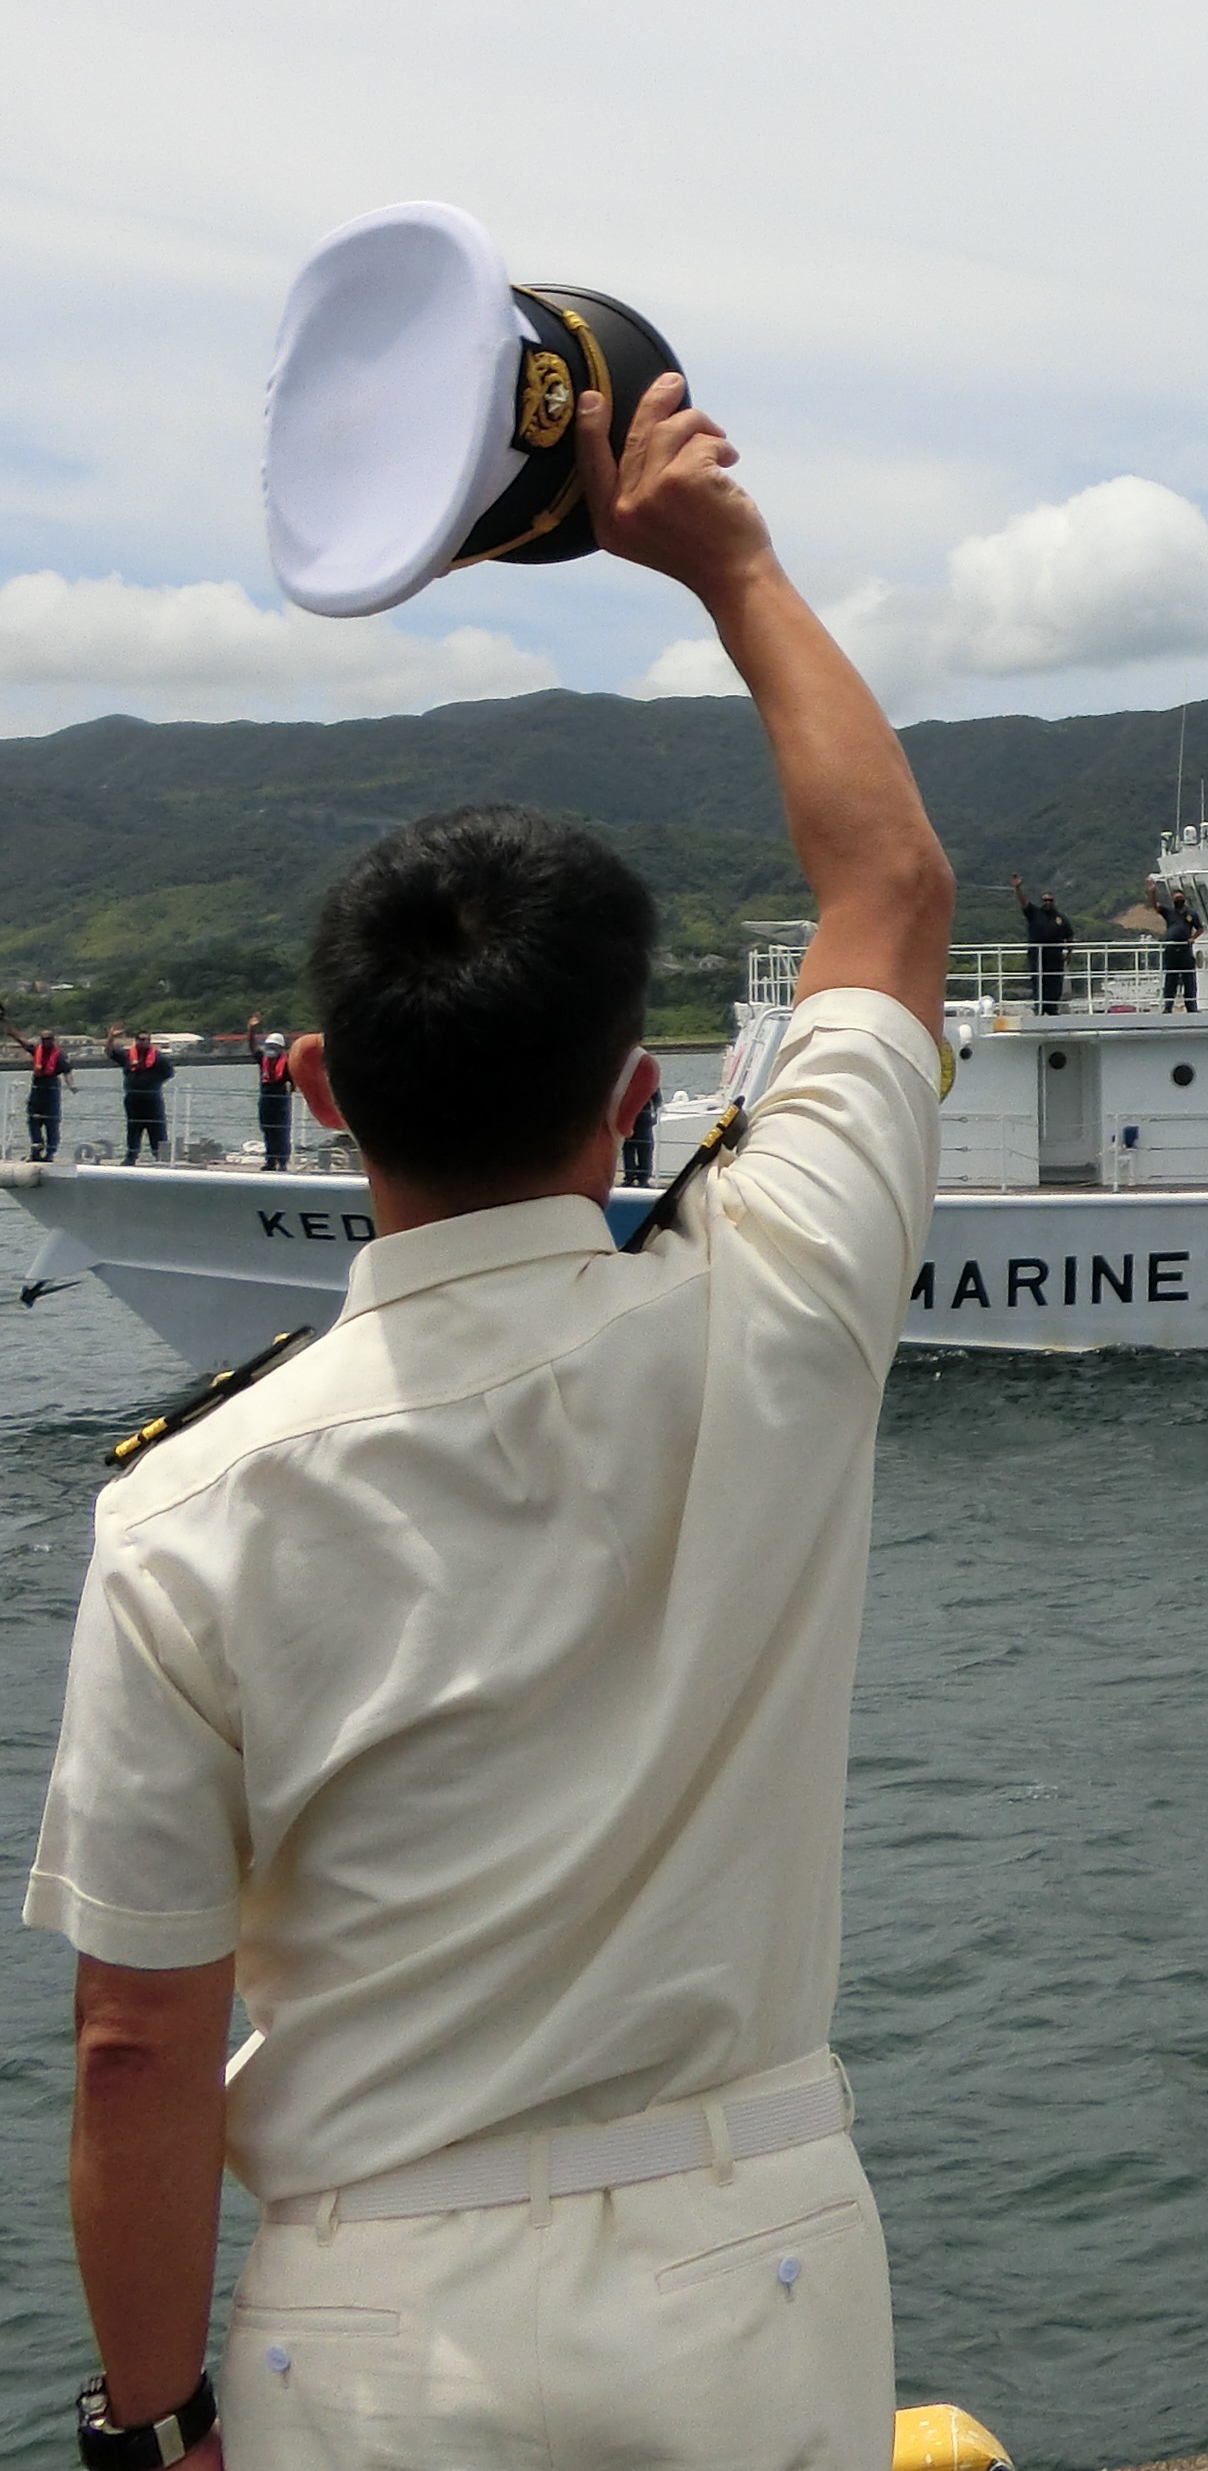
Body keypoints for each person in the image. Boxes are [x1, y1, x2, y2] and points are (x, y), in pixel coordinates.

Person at [29, 367, 957, 2471]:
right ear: (637, 1097)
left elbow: (134, 2038)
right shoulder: (776, 1307)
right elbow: (888, 889)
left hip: (378, 2311)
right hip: (763, 2270)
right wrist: (724, 562)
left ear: (328, 1089)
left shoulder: (185, 1511)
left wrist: (148, 2413)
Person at [1007, 873, 1074, 1015]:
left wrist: (1069, 953)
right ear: (1041, 901)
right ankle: (1039, 1008)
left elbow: (1069, 936)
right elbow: (1023, 902)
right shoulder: (1034, 913)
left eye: (1050, 900)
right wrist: (1018, 888)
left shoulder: (1061, 918)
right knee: (1038, 983)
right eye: (1045, 900)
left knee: (1055, 984)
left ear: (1053, 901)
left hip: (1055, 958)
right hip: (1037, 956)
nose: (1047, 902)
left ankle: (1052, 1009)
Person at [244, 1016, 299, 1173]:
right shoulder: (263, 1059)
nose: (271, 1049)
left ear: (281, 1048)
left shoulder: (287, 1063)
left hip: (280, 1100)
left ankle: (282, 1161)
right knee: (267, 1129)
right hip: (265, 1099)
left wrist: (293, 1088)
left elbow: (293, 1079)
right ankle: (270, 1160)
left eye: (274, 1047)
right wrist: (251, 1030)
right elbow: (252, 1047)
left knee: (281, 1130)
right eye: (269, 1046)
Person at [112, 1027, 168, 1166]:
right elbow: (110, 1052)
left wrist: (153, 1082)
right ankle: (131, 1156)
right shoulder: (127, 1055)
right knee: (133, 1129)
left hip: (152, 1099)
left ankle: (160, 1157)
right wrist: (111, 1038)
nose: (144, 1042)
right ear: (135, 1041)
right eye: (141, 1039)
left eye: (147, 1040)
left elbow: (168, 1073)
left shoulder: (159, 1058)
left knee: (157, 1129)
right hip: (133, 1099)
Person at [22, 1021, 65, 1163]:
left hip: (51, 1093)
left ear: (53, 1040)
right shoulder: (36, 1051)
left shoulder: (60, 1056)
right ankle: (36, 1150)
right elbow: (22, 1041)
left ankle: (50, 1152)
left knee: (52, 1124)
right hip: (37, 1094)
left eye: (49, 1039)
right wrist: (10, 1027)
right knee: (33, 1123)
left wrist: (72, 1085)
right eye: (44, 1039)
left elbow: (68, 1071)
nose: (46, 1042)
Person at [1160, 886, 1201, 1013]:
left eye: (1180, 897)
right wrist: (1152, 892)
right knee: (1170, 979)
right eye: (1176, 898)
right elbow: (1155, 907)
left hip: (1185, 950)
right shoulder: (1169, 912)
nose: (1178, 900)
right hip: (1171, 950)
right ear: (1172, 899)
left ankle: (1191, 1006)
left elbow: (1200, 928)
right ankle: (1168, 1006)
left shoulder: (1191, 913)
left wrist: (1193, 938)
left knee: (1189, 979)